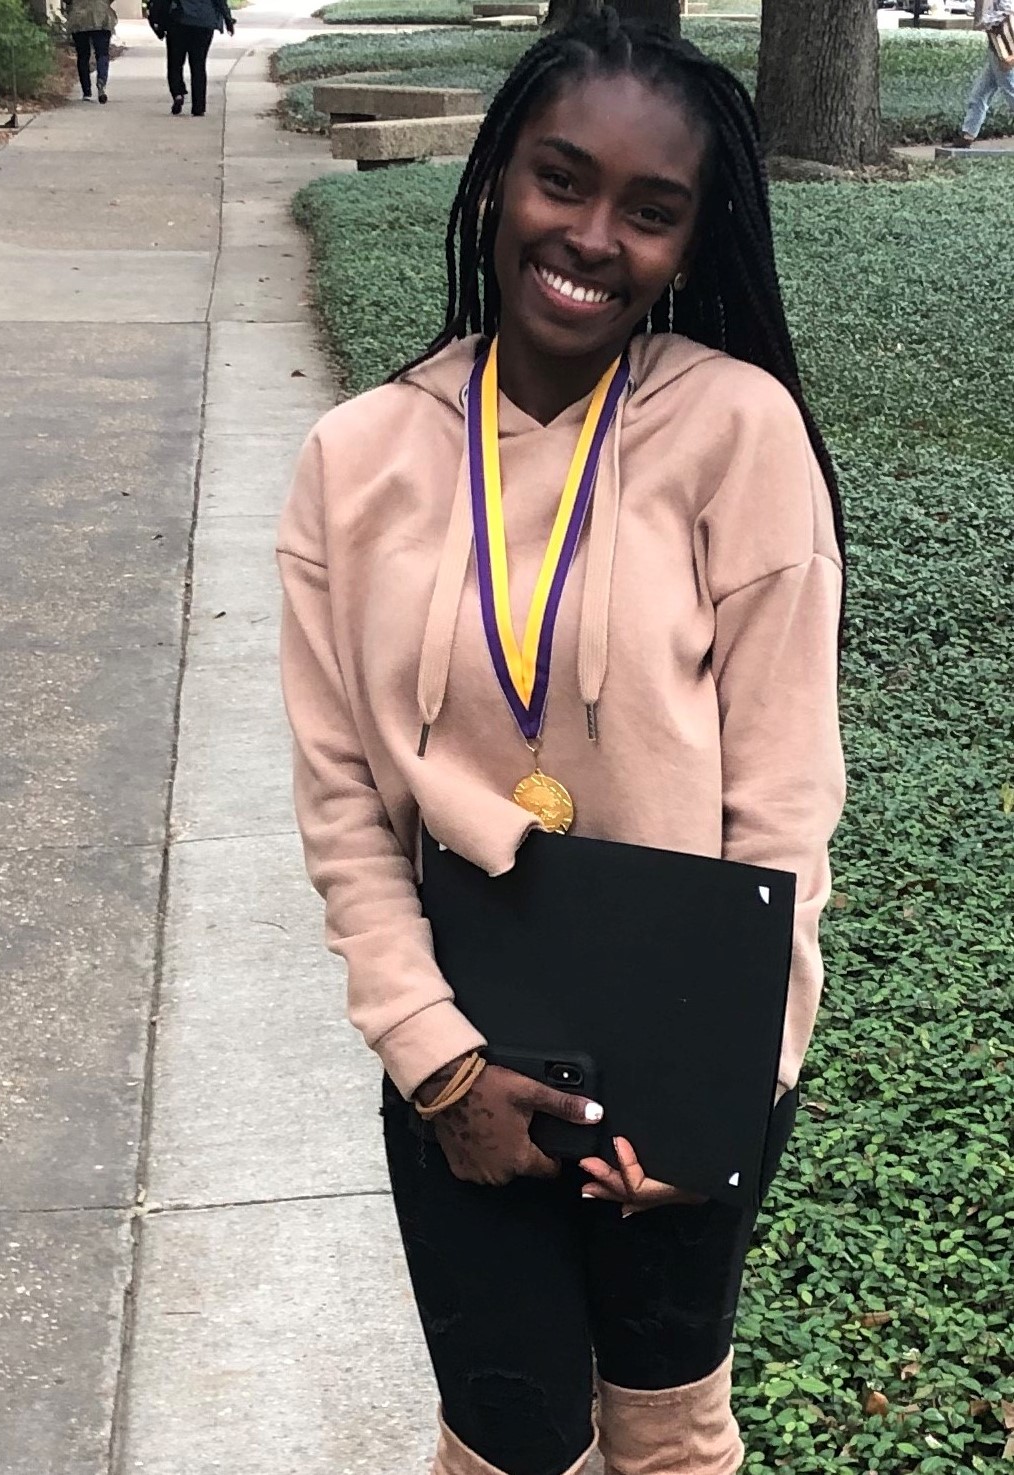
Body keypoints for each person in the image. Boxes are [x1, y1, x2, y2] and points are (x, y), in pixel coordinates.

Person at [278, 14, 846, 1475]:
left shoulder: (738, 434)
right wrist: (442, 1070)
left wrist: (718, 1092)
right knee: (504, 1440)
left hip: (685, 1045)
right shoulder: (356, 461)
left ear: (688, 239)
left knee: (665, 1431)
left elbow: (782, 802)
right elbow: (345, 802)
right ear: (495, 181)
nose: (590, 238)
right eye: (561, 181)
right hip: (465, 1038)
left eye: (648, 212)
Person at [147, 0, 234, 118]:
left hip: (178, 21)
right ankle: (198, 106)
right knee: (199, 64)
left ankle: (177, 93)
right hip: (204, 22)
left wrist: (156, 21)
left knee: (175, 62)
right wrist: (228, 20)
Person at [957, 0, 1014, 146]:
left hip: (1003, 46)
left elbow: (1006, 13)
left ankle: (967, 136)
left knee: (1010, 92)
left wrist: (983, 20)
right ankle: (968, 136)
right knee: (980, 92)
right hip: (997, 45)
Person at [64, 0, 116, 104]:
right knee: (102, 53)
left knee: (83, 55)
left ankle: (86, 91)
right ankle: (101, 82)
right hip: (101, 15)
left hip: (79, 17)